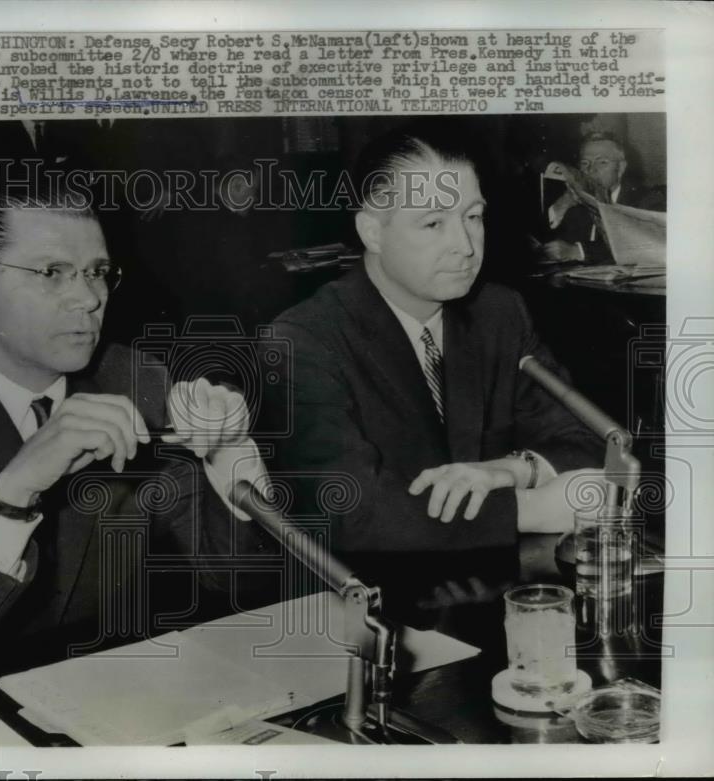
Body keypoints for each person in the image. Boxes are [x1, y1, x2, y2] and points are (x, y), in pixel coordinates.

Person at [0, 196, 267, 689]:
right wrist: (13, 492)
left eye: (97, 271)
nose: (89, 298)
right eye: (52, 272)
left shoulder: (131, 378)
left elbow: (237, 585)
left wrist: (227, 455)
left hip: (93, 694)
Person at [262, 128, 604, 560]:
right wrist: (527, 508)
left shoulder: (498, 313)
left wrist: (511, 470)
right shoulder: (303, 340)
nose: (464, 246)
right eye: (433, 223)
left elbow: (589, 439)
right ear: (372, 232)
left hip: (489, 591)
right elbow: (348, 513)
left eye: (473, 217)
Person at [541, 131, 665, 264]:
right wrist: (562, 205)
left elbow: (642, 245)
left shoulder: (647, 199)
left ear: (621, 168)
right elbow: (542, 242)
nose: (591, 169)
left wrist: (578, 251)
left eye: (602, 162)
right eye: (585, 163)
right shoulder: (576, 201)